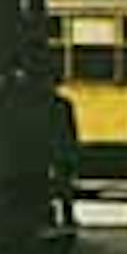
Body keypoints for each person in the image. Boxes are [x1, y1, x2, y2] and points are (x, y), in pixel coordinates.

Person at [46, 75, 80, 231]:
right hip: (62, 150)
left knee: (51, 186)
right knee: (65, 186)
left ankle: (50, 217)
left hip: (49, 149)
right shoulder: (64, 105)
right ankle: (68, 216)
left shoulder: (42, 105)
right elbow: (71, 131)